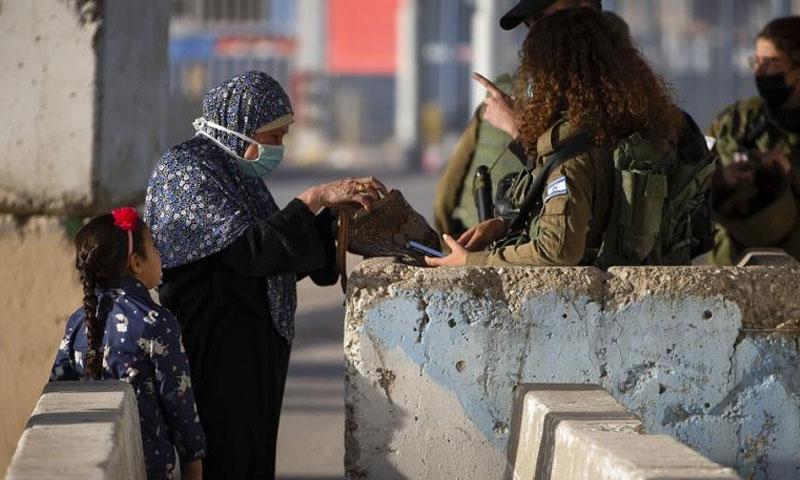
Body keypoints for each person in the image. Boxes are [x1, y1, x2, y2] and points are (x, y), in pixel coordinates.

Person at [144, 71, 386, 479]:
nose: (279, 148)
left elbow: (274, 254)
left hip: (251, 354)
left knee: (253, 455)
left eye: (283, 137)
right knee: (226, 456)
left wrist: (331, 222)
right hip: (215, 351)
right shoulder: (187, 171)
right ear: (236, 126)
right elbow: (251, 253)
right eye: (273, 137)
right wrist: (313, 199)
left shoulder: (237, 175)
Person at [427, 7, 693, 267]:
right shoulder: (625, 126)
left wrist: (470, 261)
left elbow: (558, 250)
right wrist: (504, 226)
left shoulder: (570, 148)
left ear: (550, 76)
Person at [50, 207, 205, 480]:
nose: (161, 256)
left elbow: (59, 388)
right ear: (136, 262)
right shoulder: (155, 322)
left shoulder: (77, 322)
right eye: (155, 247)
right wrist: (193, 459)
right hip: (149, 465)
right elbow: (178, 399)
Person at [433, 0, 602, 238]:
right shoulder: (500, 99)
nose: (535, 33)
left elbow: (581, 207)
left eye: (546, 19)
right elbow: (446, 196)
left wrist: (518, 129)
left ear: (586, 11)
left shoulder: (615, 108)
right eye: (530, 23)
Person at [708, 16, 800, 265]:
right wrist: (724, 178)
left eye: (771, 63)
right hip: (732, 270)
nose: (760, 71)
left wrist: (787, 172)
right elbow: (691, 182)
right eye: (756, 61)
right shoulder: (734, 121)